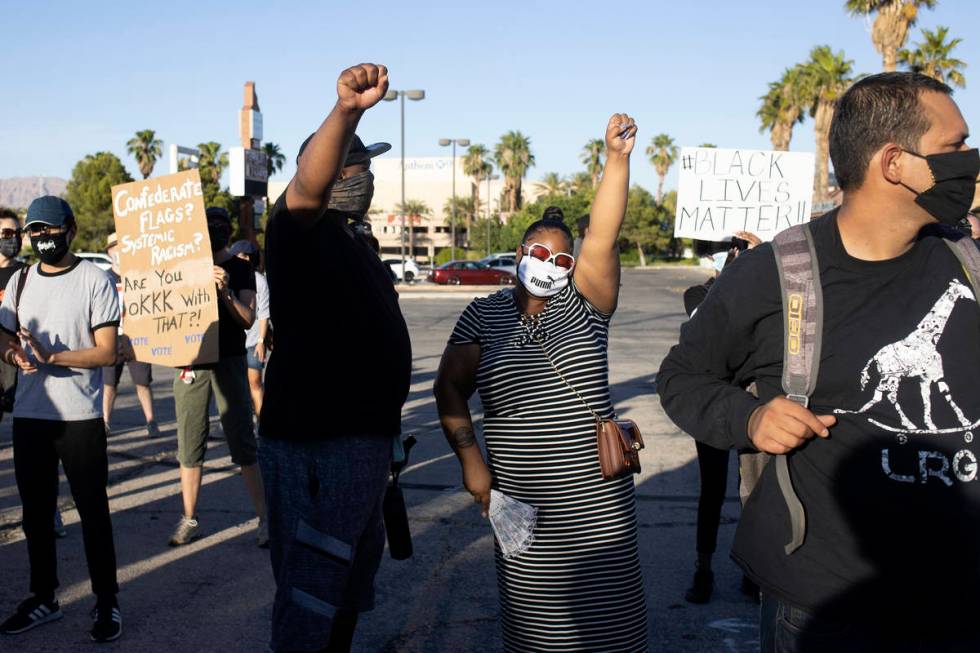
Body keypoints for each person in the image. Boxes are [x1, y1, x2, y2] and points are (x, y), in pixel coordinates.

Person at [658, 72, 980, 650]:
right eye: (954, 147)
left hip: (960, 596)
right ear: (894, 162)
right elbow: (682, 377)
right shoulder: (774, 274)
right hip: (825, 608)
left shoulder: (969, 263)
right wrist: (750, 419)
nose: (970, 161)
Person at [435, 115, 648, 652]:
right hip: (523, 504)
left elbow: (604, 231)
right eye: (537, 252)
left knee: (611, 626)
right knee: (538, 632)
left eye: (560, 257)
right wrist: (471, 462)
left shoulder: (587, 305)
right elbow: (449, 389)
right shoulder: (483, 316)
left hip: (598, 504)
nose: (547, 263)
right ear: (518, 255)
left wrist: (616, 158)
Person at [259, 63, 410, 653]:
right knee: (311, 585)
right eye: (358, 164)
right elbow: (305, 189)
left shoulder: (355, 239)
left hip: (364, 444)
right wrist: (348, 111)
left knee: (348, 584)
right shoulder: (298, 229)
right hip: (317, 444)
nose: (367, 175)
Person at [0, 196, 123, 642]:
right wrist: (13, 352)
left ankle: (107, 602)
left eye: (49, 230)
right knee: (35, 514)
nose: (41, 238)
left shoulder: (95, 279)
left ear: (70, 230)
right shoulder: (20, 280)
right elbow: (3, 332)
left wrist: (53, 356)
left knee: (93, 513)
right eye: (34, 231)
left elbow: (108, 351)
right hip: (31, 414)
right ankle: (43, 598)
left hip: (80, 418)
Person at [168, 206, 267, 548]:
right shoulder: (183, 269)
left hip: (230, 361)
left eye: (221, 225)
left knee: (242, 440)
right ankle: (189, 518)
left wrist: (223, 291)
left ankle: (264, 518)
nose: (216, 230)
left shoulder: (241, 270)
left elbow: (247, 319)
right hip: (192, 363)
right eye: (209, 225)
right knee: (190, 441)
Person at [681, 232, 761, 605]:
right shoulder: (697, 294)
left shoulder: (756, 288)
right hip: (713, 404)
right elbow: (712, 324)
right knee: (711, 490)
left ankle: (752, 568)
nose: (722, 256)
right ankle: (703, 567)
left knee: (752, 490)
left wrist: (758, 264)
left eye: (727, 251)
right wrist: (737, 271)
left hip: (749, 400)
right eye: (719, 252)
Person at [102, 233, 160, 438]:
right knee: (109, 383)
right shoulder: (104, 278)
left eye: (122, 247)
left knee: (143, 382)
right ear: (108, 252)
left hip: (137, 336)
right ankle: (105, 422)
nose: (119, 252)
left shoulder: (139, 275)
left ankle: (151, 422)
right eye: (114, 248)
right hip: (112, 336)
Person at [229, 240, 270, 418]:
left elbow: (264, 314)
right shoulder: (228, 276)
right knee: (235, 387)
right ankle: (231, 423)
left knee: (255, 384)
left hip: (253, 342)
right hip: (235, 340)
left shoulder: (259, 281)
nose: (241, 259)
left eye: (245, 256)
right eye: (237, 256)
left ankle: (261, 423)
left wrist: (261, 341)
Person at [0, 208, 24, 417]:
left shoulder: (27, 274)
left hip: (14, 358)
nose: (14, 238)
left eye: (18, 233)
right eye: (7, 233)